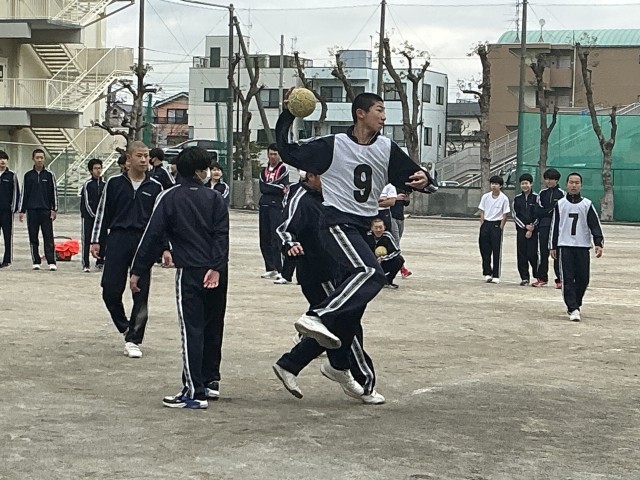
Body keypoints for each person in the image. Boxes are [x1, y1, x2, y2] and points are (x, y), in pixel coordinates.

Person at [275, 91, 437, 396]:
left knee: (351, 311)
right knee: (371, 274)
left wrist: (426, 180)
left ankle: (319, 365)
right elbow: (288, 151)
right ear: (360, 113)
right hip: (336, 223)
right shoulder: (333, 145)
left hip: (361, 229)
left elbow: (415, 175)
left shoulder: (386, 148)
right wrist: (287, 115)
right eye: (379, 110)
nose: (384, 117)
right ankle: (317, 315)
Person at [130, 146, 229, 409]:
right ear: (199, 171)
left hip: (190, 271)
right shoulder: (215, 198)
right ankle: (210, 380)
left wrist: (137, 270)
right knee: (213, 325)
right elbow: (222, 235)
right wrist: (217, 267)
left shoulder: (169, 197)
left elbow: (152, 235)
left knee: (191, 329)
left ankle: (193, 391)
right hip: (217, 271)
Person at [273, 172, 384, 404]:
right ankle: (361, 380)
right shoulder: (301, 197)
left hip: (341, 268)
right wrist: (290, 244)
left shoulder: (331, 195)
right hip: (317, 272)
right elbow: (284, 227)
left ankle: (295, 364)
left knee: (337, 326)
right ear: (311, 176)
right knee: (345, 325)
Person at [90, 141, 164, 359]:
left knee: (140, 291)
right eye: (139, 155)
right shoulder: (113, 184)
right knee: (110, 289)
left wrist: (165, 248)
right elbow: (102, 214)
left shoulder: (155, 187)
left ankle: (134, 339)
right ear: (128, 159)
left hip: (144, 242)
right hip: (118, 238)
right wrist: (96, 240)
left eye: (146, 156)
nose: (144, 160)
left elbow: (161, 221)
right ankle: (125, 326)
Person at [550, 172, 604, 322]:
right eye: (571, 182)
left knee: (583, 279)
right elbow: (554, 226)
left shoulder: (587, 204)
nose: (574, 185)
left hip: (582, 246)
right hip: (565, 246)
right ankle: (572, 308)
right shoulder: (560, 204)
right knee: (567, 278)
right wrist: (552, 246)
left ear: (581, 185)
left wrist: (598, 242)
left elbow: (594, 225)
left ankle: (576, 303)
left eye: (577, 182)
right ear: (566, 184)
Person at [18, 149, 58, 271]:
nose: (39, 160)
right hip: (32, 210)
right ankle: (36, 261)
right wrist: (22, 210)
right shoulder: (28, 175)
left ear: (44, 159)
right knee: (33, 236)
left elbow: (53, 192)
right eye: (37, 158)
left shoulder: (49, 175)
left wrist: (54, 209)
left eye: (41, 157)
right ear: (33, 159)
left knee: (48, 236)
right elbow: (24, 193)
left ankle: (51, 261)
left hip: (46, 210)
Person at [258, 143, 289, 280]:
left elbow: (282, 188)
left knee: (276, 237)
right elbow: (262, 187)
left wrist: (269, 187)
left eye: (275, 154)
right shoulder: (263, 171)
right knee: (264, 237)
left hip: (276, 206)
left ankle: (280, 268)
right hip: (264, 205)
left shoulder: (283, 169)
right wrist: (271, 187)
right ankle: (270, 267)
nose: (272, 157)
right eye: (270, 154)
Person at [533, 168, 564, 288]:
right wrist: (548, 212)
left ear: (556, 180)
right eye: (546, 179)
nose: (548, 181)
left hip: (557, 227)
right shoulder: (542, 193)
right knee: (543, 252)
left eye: (551, 179)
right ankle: (542, 278)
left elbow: (559, 210)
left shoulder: (562, 194)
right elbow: (538, 210)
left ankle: (560, 279)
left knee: (557, 253)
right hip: (544, 226)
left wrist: (548, 212)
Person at [478, 175, 510, 284]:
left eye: (496, 184)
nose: (494, 186)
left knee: (496, 251)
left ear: (500, 186)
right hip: (486, 224)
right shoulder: (485, 197)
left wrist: (500, 227)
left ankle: (496, 275)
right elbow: (482, 211)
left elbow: (505, 215)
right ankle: (487, 273)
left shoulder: (504, 198)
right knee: (484, 250)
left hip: (496, 224)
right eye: (492, 184)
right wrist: (483, 224)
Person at [80, 158, 106, 273]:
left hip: (102, 219)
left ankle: (100, 262)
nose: (98, 171)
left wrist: (102, 216)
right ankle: (86, 263)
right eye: (95, 168)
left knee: (103, 239)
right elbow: (86, 202)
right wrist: (93, 215)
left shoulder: (105, 185)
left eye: (99, 168)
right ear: (91, 171)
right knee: (86, 240)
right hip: (88, 218)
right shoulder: (87, 184)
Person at [512, 173, 539, 286]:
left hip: (534, 230)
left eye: (526, 183)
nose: (525, 185)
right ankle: (524, 277)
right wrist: (524, 226)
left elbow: (539, 214)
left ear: (531, 184)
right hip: (521, 230)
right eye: (522, 183)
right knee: (521, 254)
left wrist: (532, 227)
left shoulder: (537, 198)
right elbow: (515, 215)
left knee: (533, 254)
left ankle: (538, 276)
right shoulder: (517, 199)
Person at [367, 218, 404, 289]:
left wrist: (383, 258)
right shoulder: (367, 236)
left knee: (399, 259)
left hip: (384, 262)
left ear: (384, 227)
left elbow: (397, 251)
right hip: (370, 263)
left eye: (380, 227)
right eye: (376, 228)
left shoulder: (387, 236)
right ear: (371, 228)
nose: (378, 230)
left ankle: (388, 281)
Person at [0, 150, 20, 268]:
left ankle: (7, 259)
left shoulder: (11, 175)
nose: (2, 161)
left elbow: (16, 192)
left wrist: (14, 208)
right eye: (0, 158)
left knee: (7, 235)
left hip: (6, 211)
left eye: (4, 158)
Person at [389, 188, 412, 278]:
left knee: (396, 243)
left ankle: (399, 267)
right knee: (396, 243)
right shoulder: (390, 187)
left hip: (400, 217)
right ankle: (402, 268)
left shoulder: (402, 188)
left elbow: (406, 203)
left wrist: (407, 198)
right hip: (392, 216)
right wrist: (395, 198)